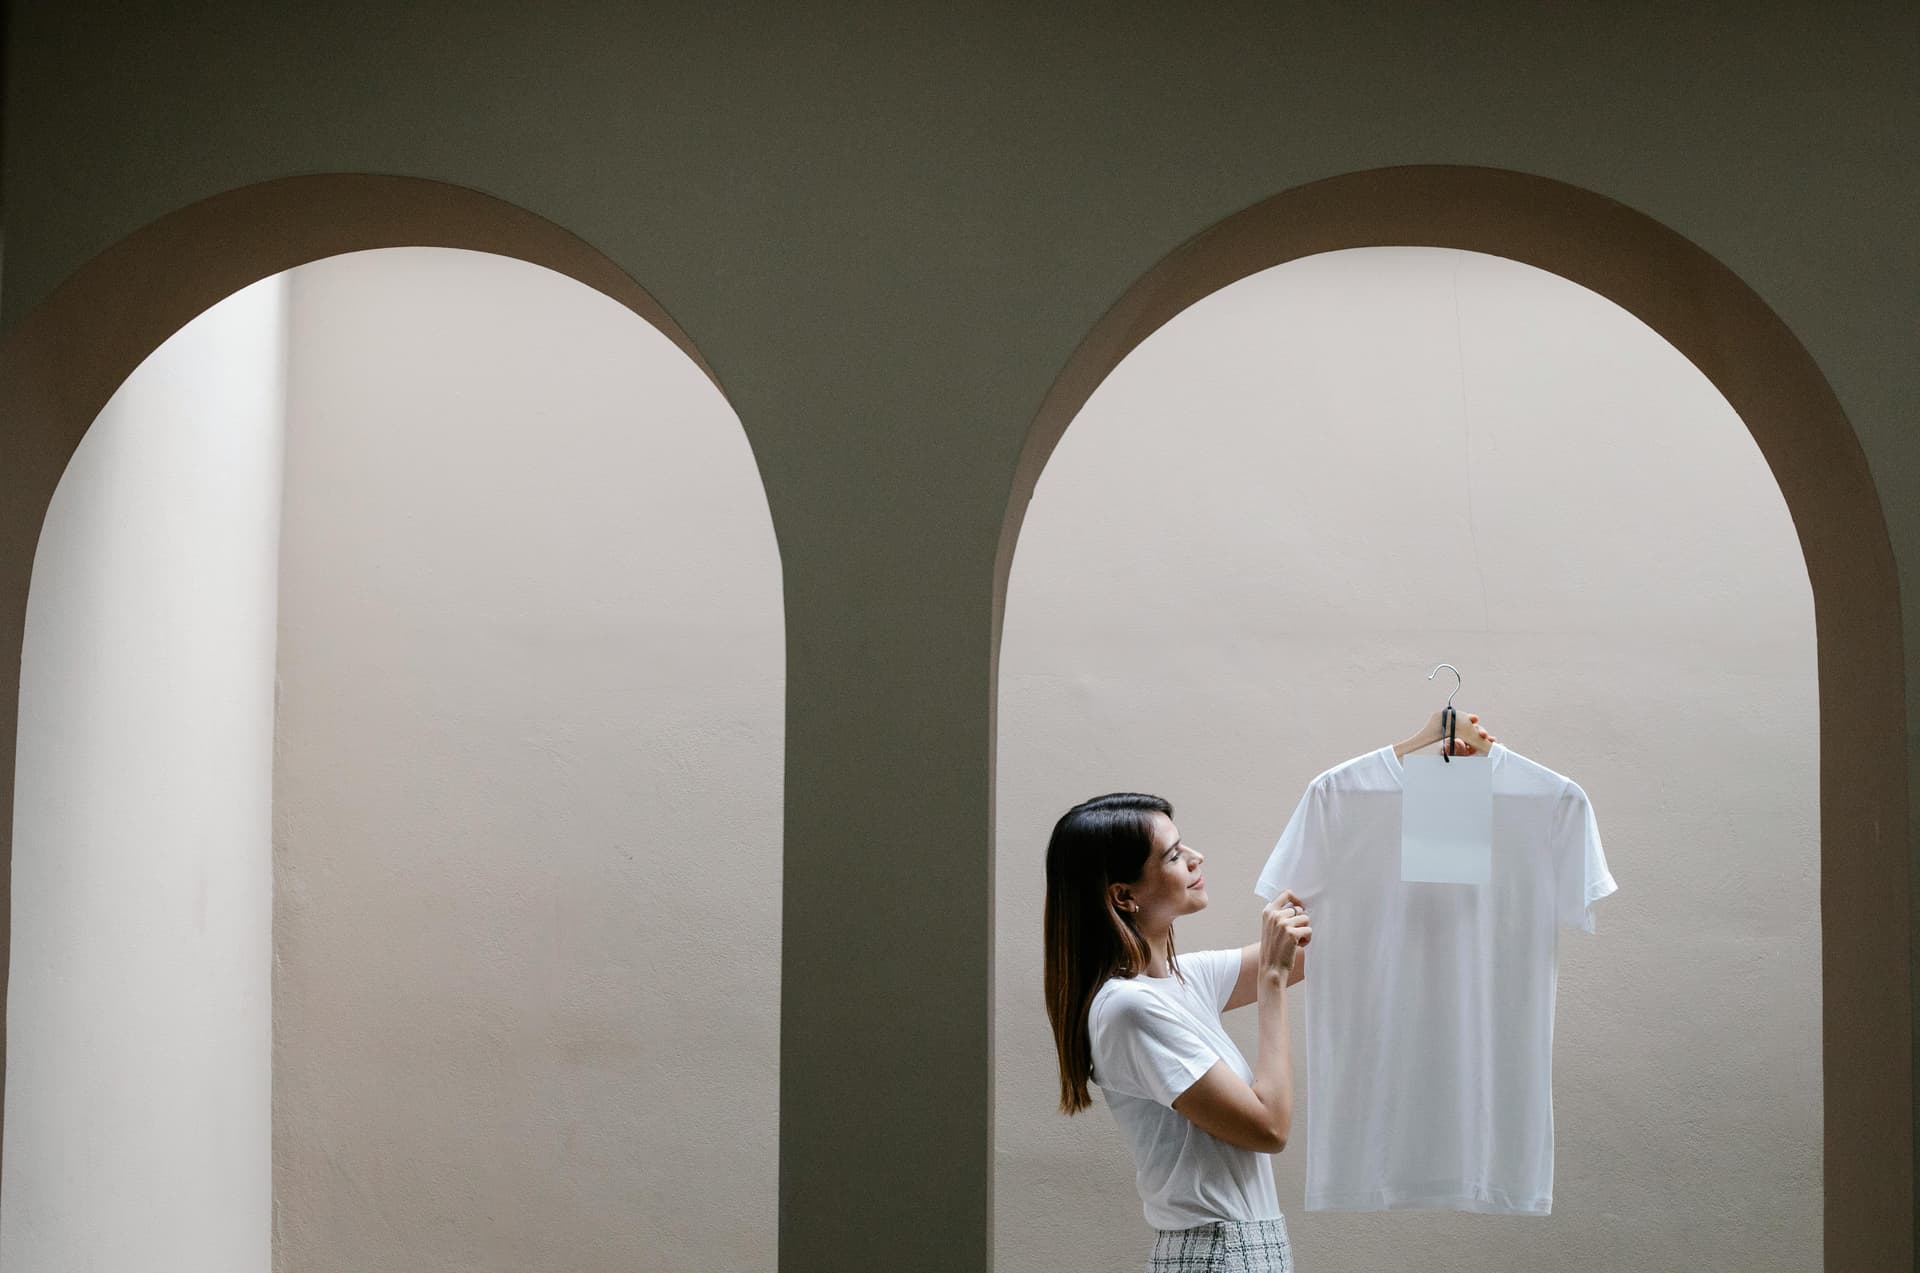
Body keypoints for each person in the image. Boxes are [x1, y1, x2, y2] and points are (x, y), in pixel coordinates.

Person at [1038, 723, 1489, 1271]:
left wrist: (1430, 785)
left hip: (1243, 1244)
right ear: (1124, 896)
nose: (1197, 857)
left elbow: (1350, 933)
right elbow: (1269, 1128)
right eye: (1175, 855)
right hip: (1215, 1250)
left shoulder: (1180, 982)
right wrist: (1272, 985)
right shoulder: (1130, 1009)